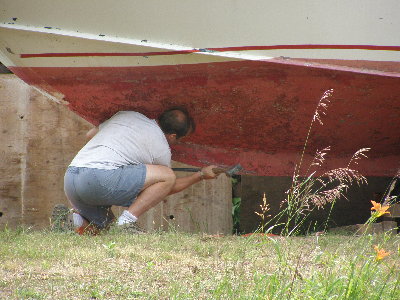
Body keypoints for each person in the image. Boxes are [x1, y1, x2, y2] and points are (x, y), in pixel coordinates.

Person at [56, 107, 220, 234]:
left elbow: (90, 134)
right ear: (172, 136)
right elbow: (167, 185)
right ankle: (127, 222)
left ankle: (73, 220)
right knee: (167, 176)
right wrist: (201, 175)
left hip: (71, 179)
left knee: (108, 233)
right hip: (98, 179)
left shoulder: (127, 115)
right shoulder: (161, 147)